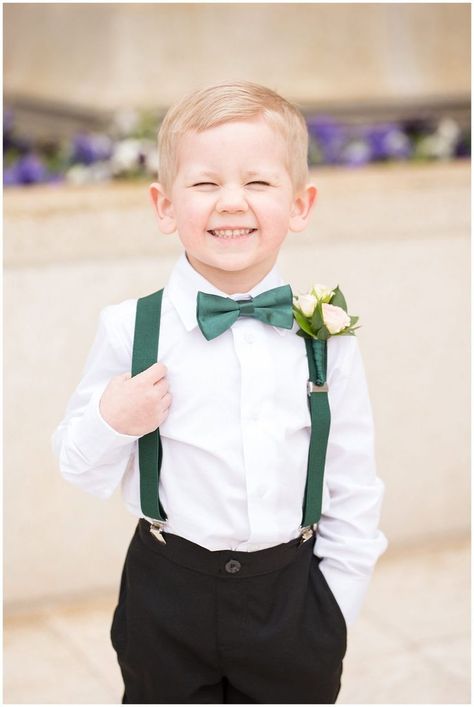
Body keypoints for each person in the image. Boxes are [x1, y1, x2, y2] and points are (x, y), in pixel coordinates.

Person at [52, 80, 388, 704]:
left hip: (293, 596)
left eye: (258, 182)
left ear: (300, 204)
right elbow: (77, 464)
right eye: (205, 184)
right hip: (166, 591)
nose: (231, 202)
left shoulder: (326, 331)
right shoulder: (130, 328)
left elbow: (353, 476)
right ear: (164, 206)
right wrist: (113, 419)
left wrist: (336, 604)